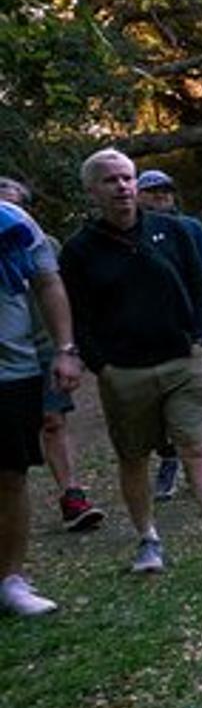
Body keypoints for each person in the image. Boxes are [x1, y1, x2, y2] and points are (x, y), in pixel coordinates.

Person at [59, 149, 202, 579]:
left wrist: (197, 339)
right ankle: (148, 539)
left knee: (197, 446)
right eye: (111, 180)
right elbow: (76, 313)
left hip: (182, 361)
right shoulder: (80, 250)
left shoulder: (174, 232)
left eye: (127, 178)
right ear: (92, 190)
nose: (122, 187)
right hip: (124, 372)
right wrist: (102, 365)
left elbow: (198, 285)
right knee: (133, 457)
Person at [0, 177, 100, 532]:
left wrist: (68, 346)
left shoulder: (43, 243)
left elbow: (58, 291)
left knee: (53, 420)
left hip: (43, 346)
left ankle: (71, 494)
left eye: (16, 203)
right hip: (12, 352)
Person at [3, 195, 87, 614]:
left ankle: (10, 581)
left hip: (10, 369)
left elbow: (48, 283)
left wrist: (65, 349)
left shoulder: (12, 221)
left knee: (10, 476)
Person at [135, 168, 202, 500]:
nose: (161, 196)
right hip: (142, 333)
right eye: (153, 191)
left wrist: (179, 282)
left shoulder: (190, 228)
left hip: (188, 329)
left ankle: (195, 462)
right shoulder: (127, 233)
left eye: (166, 191)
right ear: (139, 195)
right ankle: (168, 456)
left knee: (194, 401)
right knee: (151, 405)